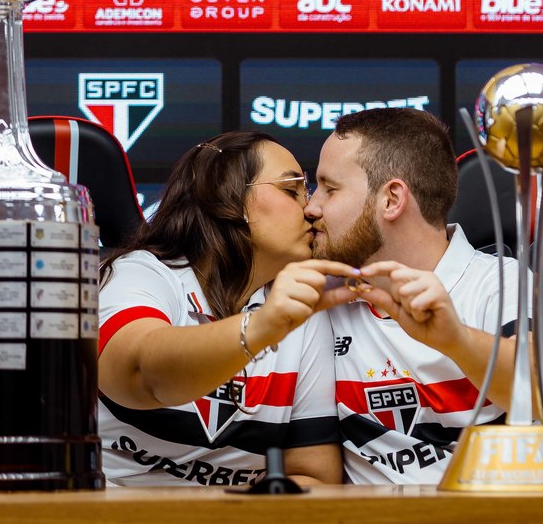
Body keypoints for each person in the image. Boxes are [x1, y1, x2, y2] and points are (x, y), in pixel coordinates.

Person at [304, 108, 543, 484]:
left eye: (330, 188)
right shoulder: (321, 296)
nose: (311, 206)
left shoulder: (497, 282)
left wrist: (454, 339)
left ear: (392, 199)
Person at [97, 131, 359, 487]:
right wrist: (262, 325)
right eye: (291, 189)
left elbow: (314, 475)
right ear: (227, 196)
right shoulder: (139, 274)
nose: (312, 209)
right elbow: (140, 376)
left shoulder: (299, 307)